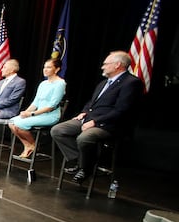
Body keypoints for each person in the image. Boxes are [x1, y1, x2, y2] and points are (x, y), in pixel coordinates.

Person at [51, 50, 143, 183]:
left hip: (110, 124)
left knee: (85, 137)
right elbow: (91, 102)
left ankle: (85, 168)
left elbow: (122, 110)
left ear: (117, 65)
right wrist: (84, 112)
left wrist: (95, 122)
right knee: (58, 130)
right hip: (90, 119)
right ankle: (82, 161)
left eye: (106, 64)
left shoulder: (131, 83)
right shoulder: (103, 83)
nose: (102, 66)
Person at [8, 58, 66, 158]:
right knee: (11, 122)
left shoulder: (60, 83)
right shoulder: (43, 84)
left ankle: (33, 145)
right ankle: (28, 145)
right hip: (36, 114)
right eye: (44, 67)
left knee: (20, 125)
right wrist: (25, 112)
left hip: (49, 116)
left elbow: (51, 106)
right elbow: (35, 103)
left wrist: (31, 114)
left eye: (49, 67)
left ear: (56, 69)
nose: (45, 69)